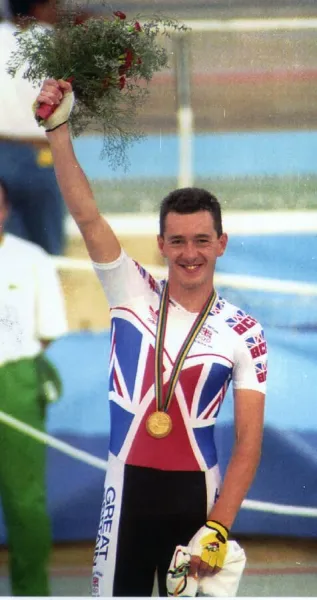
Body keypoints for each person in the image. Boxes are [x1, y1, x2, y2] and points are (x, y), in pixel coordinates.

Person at [35, 78, 268, 597]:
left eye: (202, 240)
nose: (190, 253)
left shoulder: (244, 332)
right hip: (127, 491)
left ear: (221, 244)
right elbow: (86, 213)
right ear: (161, 243)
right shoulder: (129, 290)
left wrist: (219, 526)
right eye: (178, 241)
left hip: (198, 499)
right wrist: (57, 129)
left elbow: (249, 443)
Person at [0, 176, 68, 596]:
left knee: (25, 501)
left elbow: (49, 328)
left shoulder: (32, 260)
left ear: (5, 209)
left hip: (16, 381)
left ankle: (31, 593)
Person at [0, 0, 65, 255]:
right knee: (47, 254)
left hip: (3, 151)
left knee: (8, 254)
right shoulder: (51, 40)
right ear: (39, 7)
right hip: (42, 154)